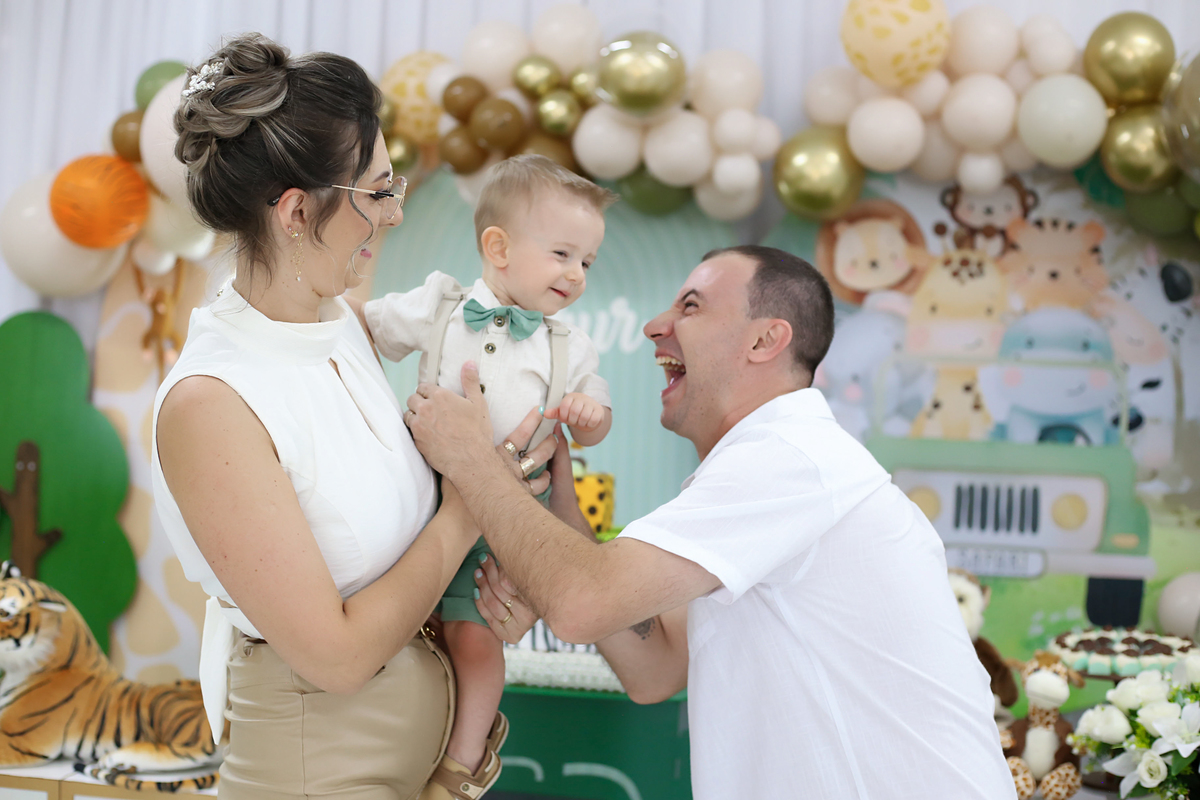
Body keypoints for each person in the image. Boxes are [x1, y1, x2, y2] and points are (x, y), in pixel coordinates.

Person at [407, 245, 1018, 799]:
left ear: (765, 340)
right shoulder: (773, 466)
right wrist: (560, 496)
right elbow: (655, 667)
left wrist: (471, 461)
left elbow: (583, 604)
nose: (655, 326)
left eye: (691, 307)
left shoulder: (789, 457)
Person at [150, 34, 555, 799]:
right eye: (376, 192)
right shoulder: (213, 402)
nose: (396, 214)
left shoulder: (341, 324)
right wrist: (470, 505)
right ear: (297, 211)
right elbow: (335, 658)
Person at [361, 155, 614, 797]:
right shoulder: (441, 306)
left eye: (588, 262)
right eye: (563, 254)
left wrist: (587, 416)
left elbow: (594, 419)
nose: (577, 274)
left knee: (476, 639)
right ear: (498, 248)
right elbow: (364, 329)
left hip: (504, 524)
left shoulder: (569, 347)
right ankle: (396, 746)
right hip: (418, 507)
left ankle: (461, 760)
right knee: (398, 630)